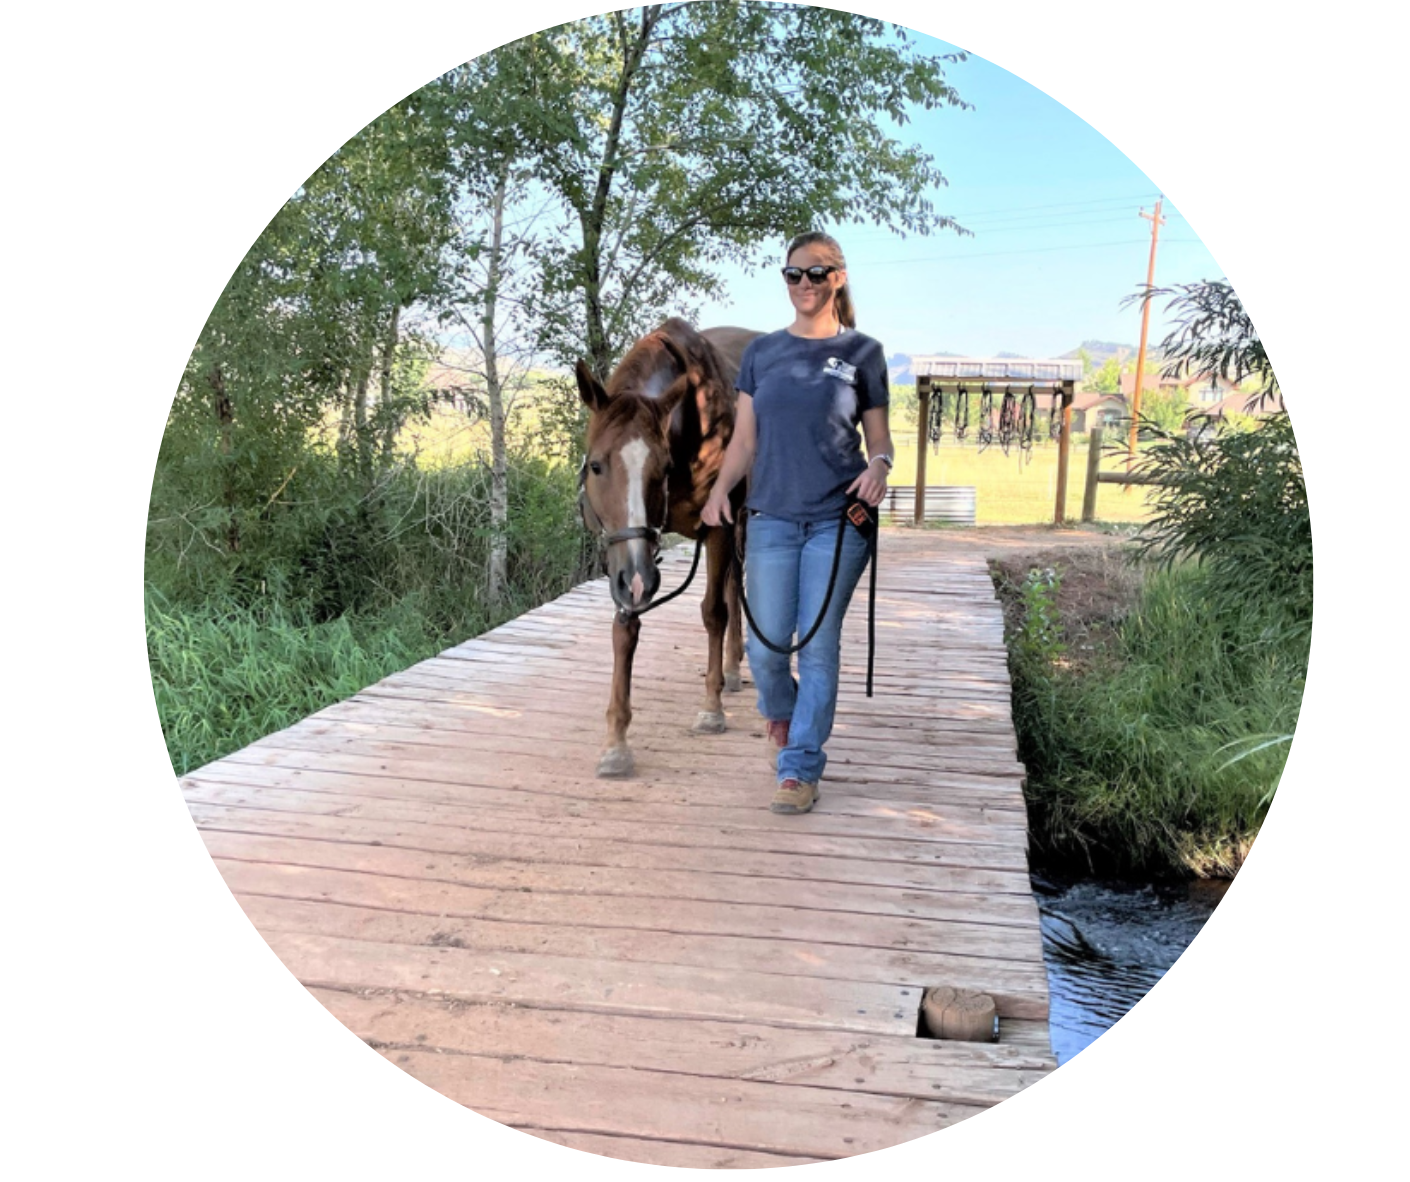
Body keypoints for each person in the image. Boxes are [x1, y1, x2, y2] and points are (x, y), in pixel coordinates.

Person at [702, 231, 894, 815]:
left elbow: (879, 440)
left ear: (837, 278)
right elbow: (743, 440)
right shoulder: (764, 354)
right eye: (793, 274)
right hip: (771, 521)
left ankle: (800, 768)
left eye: (815, 274)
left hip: (839, 521)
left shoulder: (863, 353)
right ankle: (781, 720)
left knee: (816, 646)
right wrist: (717, 493)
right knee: (764, 651)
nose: (803, 284)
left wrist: (880, 467)